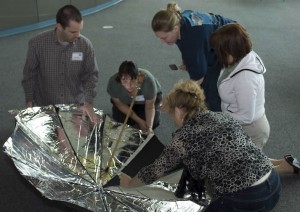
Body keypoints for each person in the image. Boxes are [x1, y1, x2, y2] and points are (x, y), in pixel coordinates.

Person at [119, 80, 281, 211]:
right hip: (274, 183)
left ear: (178, 111)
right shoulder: (223, 117)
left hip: (248, 200)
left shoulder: (184, 138)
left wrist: (129, 184)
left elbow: (155, 170)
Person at [210, 23, 300, 174]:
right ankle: (283, 163)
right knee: (243, 159)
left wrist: (218, 118)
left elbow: (246, 116)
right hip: (240, 124)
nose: (216, 54)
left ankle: (286, 167)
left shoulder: (246, 78)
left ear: (230, 49)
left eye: (218, 50)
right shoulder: (238, 59)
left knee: (246, 173)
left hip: (251, 129)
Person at [21, 4, 99, 124]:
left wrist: (88, 102)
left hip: (74, 106)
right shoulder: (37, 44)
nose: (78, 35)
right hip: (46, 105)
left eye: (79, 30)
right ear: (59, 27)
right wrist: (29, 102)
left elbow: (91, 75)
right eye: (73, 32)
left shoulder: (85, 45)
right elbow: (30, 75)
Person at [151, 2, 235, 111]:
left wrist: (172, 99)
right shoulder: (179, 20)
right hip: (212, 37)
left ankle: (218, 118)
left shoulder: (192, 40)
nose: (162, 42)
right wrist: (187, 60)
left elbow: (197, 79)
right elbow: (183, 43)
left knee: (210, 89)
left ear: (175, 28)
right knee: (202, 75)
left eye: (164, 37)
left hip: (232, 41)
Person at [107, 61, 162, 133]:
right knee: (120, 121)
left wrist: (149, 127)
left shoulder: (148, 81)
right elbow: (120, 104)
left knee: (152, 123)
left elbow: (150, 107)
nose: (129, 86)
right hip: (125, 102)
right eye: (124, 80)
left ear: (138, 77)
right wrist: (139, 121)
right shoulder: (113, 82)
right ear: (119, 78)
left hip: (146, 103)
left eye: (133, 80)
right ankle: (136, 116)